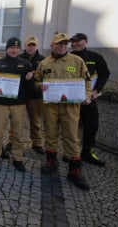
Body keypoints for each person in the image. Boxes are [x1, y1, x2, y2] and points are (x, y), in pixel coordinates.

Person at [34, 32, 92, 191]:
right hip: (50, 106)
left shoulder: (77, 61)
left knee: (71, 136)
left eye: (64, 43)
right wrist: (39, 86)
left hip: (70, 107)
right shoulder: (44, 63)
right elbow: (37, 81)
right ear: (52, 45)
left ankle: (75, 171)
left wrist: (87, 95)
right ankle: (51, 161)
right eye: (59, 43)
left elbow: (87, 81)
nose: (62, 46)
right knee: (50, 133)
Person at [0, 37, 33, 172]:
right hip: (1, 104)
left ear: (19, 50)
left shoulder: (25, 64)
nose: (14, 50)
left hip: (18, 104)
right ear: (7, 49)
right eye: (12, 48)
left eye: (17, 48)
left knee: (18, 132)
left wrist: (30, 79)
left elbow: (29, 87)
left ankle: (18, 158)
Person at [69, 32, 110, 166]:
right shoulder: (67, 57)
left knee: (92, 125)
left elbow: (104, 74)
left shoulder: (95, 57)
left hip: (88, 98)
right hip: (71, 99)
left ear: (86, 41)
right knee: (69, 126)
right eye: (73, 42)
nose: (74, 44)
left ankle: (87, 151)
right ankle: (70, 152)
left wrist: (96, 90)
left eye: (78, 41)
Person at [19, 35, 46, 154]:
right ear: (25, 46)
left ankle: (37, 143)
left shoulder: (43, 60)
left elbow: (46, 77)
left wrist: (35, 78)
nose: (31, 47)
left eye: (33, 45)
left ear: (37, 46)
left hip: (35, 96)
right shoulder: (19, 58)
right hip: (20, 95)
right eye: (29, 45)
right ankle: (12, 141)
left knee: (35, 121)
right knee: (18, 120)